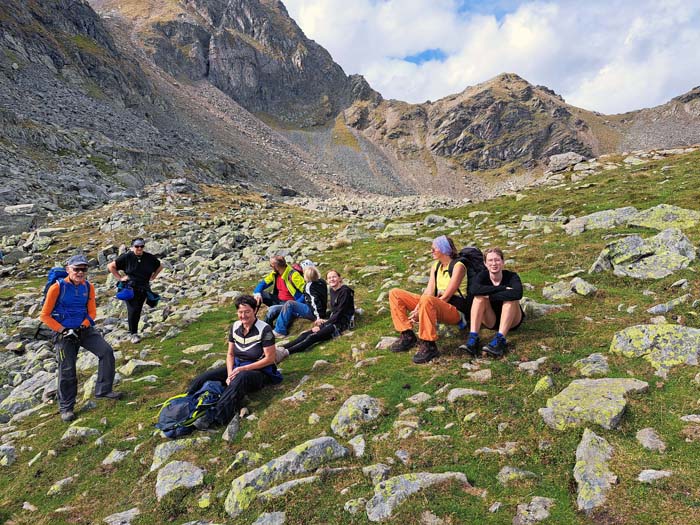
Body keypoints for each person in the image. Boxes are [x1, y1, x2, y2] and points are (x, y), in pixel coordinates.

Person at [40, 255, 122, 422]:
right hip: (63, 333)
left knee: (106, 352)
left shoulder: (88, 287)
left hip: (83, 329)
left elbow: (92, 312)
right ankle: (66, 408)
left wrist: (84, 325)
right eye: (76, 269)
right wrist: (63, 330)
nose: (80, 272)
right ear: (68, 269)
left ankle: (103, 390)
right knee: (67, 370)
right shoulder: (56, 288)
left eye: (83, 269)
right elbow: (45, 315)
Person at [187, 294, 282, 429]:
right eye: (240, 312)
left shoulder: (265, 329)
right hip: (237, 366)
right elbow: (230, 354)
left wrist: (242, 370)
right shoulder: (235, 327)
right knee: (203, 378)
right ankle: (187, 402)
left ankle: (216, 417)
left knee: (241, 377)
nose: (243, 316)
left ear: (255, 311)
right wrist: (230, 373)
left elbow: (270, 359)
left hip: (260, 371)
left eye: (247, 312)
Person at [388, 235, 471, 364]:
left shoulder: (458, 266)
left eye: (434, 249)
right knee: (395, 293)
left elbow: (447, 296)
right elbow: (429, 290)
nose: (431, 251)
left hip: (455, 310)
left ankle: (429, 344)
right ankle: (407, 334)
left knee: (427, 300)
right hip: (434, 302)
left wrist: (421, 309)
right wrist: (417, 309)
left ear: (443, 249)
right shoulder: (436, 266)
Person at [461, 247, 524, 358]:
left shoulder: (512, 276)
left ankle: (500, 340)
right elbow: (474, 290)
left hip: (513, 320)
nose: (494, 263)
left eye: (497, 260)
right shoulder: (482, 276)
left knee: (510, 300)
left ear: (503, 262)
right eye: (490, 260)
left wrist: (489, 295)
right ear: (485, 263)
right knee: (478, 298)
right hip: (492, 320)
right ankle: (473, 339)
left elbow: (517, 294)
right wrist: (502, 289)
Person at [281, 269, 354, 354]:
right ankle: (281, 348)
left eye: (334, 277)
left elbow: (340, 313)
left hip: (342, 324)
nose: (332, 279)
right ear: (326, 280)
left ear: (339, 278)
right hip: (334, 320)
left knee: (313, 337)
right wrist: (325, 321)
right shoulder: (332, 290)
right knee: (305, 334)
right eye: (329, 278)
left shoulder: (345, 291)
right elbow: (335, 311)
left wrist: (323, 325)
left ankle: (286, 352)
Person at [107, 237, 163, 344]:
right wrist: (120, 278)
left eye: (141, 246)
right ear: (132, 247)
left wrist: (154, 276)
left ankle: (133, 331)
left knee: (138, 309)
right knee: (133, 309)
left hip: (144, 288)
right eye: (137, 246)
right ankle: (133, 334)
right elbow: (111, 266)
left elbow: (160, 266)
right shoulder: (127, 257)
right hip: (130, 288)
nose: (139, 248)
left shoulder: (149, 258)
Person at [272, 262, 328, 337]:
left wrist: (319, 317)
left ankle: (279, 331)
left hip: (314, 312)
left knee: (289, 304)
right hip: (322, 309)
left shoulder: (308, 287)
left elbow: (315, 301)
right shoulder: (321, 282)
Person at [253, 255, 306, 325]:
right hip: (278, 300)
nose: (270, 267)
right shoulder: (275, 274)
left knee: (272, 310)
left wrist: (294, 304)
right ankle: (252, 317)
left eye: (271, 265)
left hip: (290, 304)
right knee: (259, 294)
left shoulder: (294, 275)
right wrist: (257, 293)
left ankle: (265, 329)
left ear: (276, 267)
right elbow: (263, 283)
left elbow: (306, 292)